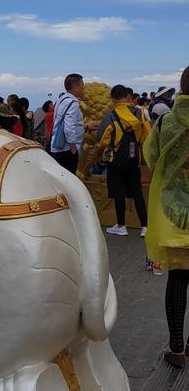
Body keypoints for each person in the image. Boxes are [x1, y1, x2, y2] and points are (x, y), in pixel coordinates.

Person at [143, 67, 189, 364]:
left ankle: (176, 348)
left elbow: (151, 157)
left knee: (178, 279)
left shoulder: (166, 123)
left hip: (176, 213)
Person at [96, 84, 149, 238]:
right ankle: (144, 227)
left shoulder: (110, 115)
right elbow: (147, 136)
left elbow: (102, 139)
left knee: (119, 192)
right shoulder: (140, 113)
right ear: (127, 97)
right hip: (135, 157)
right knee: (137, 191)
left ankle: (121, 226)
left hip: (116, 158)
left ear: (112, 99)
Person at [49, 74, 85, 173]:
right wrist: (73, 147)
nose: (83, 87)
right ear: (75, 86)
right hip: (66, 149)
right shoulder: (73, 103)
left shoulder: (62, 100)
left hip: (57, 146)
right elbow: (69, 126)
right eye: (82, 84)